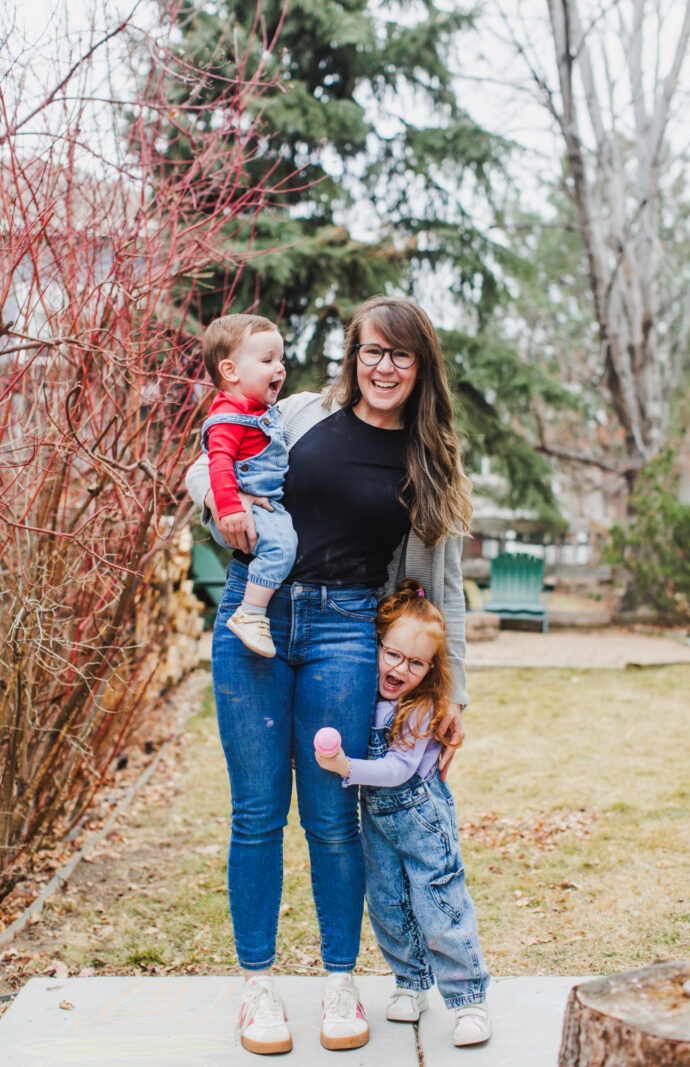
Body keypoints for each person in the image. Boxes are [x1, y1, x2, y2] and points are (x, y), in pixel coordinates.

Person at [185, 295, 473, 1055]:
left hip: (348, 631)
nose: (383, 367)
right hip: (256, 622)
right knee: (255, 813)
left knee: (330, 817)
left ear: (420, 367)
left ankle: (339, 979)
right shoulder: (303, 412)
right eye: (371, 351)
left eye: (399, 355)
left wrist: (454, 695)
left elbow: (443, 592)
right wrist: (230, 514)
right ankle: (257, 988)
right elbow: (202, 465)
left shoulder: (427, 458)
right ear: (352, 357)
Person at [315, 579, 491, 1048]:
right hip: (378, 824)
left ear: (431, 669)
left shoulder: (418, 708)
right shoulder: (364, 697)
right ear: (378, 644)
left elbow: (395, 769)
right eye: (392, 654)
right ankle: (411, 984)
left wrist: (346, 767)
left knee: (438, 904)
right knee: (389, 902)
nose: (400, 669)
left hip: (422, 820)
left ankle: (468, 999)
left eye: (416, 663)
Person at [201, 313, 297, 658]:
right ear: (231, 371)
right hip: (238, 512)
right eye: (268, 360)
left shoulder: (259, 411)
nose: (280, 368)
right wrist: (229, 509)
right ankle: (251, 613)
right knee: (282, 547)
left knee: (284, 542)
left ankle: (254, 611)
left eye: (281, 359)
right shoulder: (230, 415)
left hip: (261, 503)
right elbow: (219, 462)